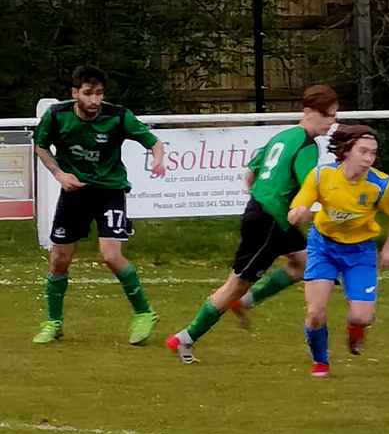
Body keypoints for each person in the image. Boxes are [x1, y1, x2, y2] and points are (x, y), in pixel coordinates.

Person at [166, 85, 339, 364]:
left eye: (334, 115)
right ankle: (184, 338)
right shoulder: (308, 146)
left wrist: (265, 199)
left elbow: (250, 174)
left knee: (305, 263)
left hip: (264, 214)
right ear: (308, 112)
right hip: (270, 221)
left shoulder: (282, 136)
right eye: (328, 115)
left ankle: (247, 302)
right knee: (235, 285)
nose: (332, 122)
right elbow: (310, 188)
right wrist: (305, 209)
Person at [32, 65, 166, 345]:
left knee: (110, 255)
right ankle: (53, 322)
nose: (95, 101)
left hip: (109, 192)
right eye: (88, 93)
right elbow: (41, 146)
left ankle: (144, 313)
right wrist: (59, 174)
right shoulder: (57, 116)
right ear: (75, 93)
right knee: (59, 260)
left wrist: (157, 158)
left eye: (100, 94)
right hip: (74, 194)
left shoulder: (118, 116)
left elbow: (154, 142)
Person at [288, 124, 389, 377]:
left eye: (373, 153)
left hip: (361, 252)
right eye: (363, 151)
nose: (368, 159)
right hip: (323, 247)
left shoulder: (380, 184)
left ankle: (355, 331)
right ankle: (321, 362)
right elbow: (300, 202)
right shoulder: (322, 176)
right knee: (315, 312)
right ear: (346, 151)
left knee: (362, 316)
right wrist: (297, 212)